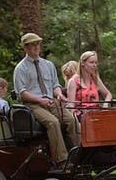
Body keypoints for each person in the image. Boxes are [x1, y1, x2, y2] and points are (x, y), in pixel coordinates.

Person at [13, 32, 80, 169]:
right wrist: (40, 100)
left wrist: (59, 95)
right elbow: (22, 93)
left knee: (72, 120)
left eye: (38, 44)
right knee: (53, 122)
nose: (36, 47)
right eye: (32, 45)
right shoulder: (21, 68)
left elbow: (55, 85)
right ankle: (62, 161)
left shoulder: (48, 65)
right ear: (25, 47)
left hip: (51, 102)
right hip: (33, 105)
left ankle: (80, 155)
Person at [66, 50, 112, 119]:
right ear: (82, 63)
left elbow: (108, 94)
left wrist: (105, 104)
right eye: (91, 62)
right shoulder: (73, 81)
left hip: (96, 113)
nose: (94, 65)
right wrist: (75, 120)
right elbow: (71, 105)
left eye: (96, 63)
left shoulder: (95, 79)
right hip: (81, 116)